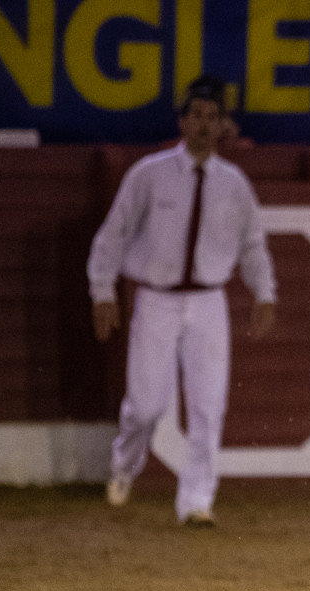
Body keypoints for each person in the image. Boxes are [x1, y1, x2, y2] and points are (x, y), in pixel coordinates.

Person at [87, 76, 277, 527]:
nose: (204, 126)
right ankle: (125, 464)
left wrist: (265, 292)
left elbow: (252, 245)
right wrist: (102, 290)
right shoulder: (149, 174)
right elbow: (112, 235)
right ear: (183, 121)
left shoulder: (233, 183)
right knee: (146, 404)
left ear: (224, 126)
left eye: (213, 118)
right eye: (197, 116)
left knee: (210, 405)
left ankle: (195, 500)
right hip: (156, 299)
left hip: (208, 301)